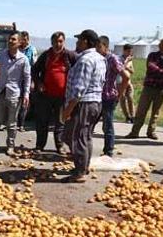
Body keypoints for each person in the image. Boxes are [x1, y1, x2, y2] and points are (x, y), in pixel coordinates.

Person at [60, 29, 106, 183]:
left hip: (84, 103)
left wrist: (67, 110)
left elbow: (79, 89)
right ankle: (83, 167)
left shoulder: (86, 60)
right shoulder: (100, 58)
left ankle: (79, 172)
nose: (77, 43)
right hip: (96, 102)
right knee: (86, 136)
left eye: (79, 40)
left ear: (86, 41)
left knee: (78, 137)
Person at [0, 32, 31, 156]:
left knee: (12, 123)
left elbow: (27, 78)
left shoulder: (23, 59)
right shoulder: (1, 55)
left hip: (14, 94)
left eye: (13, 39)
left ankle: (10, 146)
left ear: (20, 42)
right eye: (9, 39)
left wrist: (26, 94)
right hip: (0, 92)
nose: (10, 41)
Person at [31, 31, 77, 153]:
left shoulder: (70, 56)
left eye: (60, 41)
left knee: (60, 122)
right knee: (42, 121)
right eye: (55, 41)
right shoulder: (46, 55)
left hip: (62, 96)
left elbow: (77, 72)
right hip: (45, 96)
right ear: (51, 42)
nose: (58, 44)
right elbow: (34, 70)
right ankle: (40, 146)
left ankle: (60, 145)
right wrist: (39, 83)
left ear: (64, 42)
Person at [125, 38, 163, 140]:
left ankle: (151, 132)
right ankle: (135, 132)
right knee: (141, 110)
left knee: (155, 112)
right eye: (162, 44)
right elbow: (151, 67)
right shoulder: (152, 55)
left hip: (161, 89)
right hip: (149, 87)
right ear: (159, 45)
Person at [98, 36, 127, 156]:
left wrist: (119, 95)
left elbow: (126, 76)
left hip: (109, 97)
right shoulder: (98, 59)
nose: (97, 49)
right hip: (97, 96)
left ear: (106, 46)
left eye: (99, 47)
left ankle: (108, 151)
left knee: (107, 124)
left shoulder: (113, 59)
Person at [17, 31, 38, 132]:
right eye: (22, 39)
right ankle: (11, 123)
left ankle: (21, 124)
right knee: (14, 101)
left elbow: (34, 66)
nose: (23, 41)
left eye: (25, 39)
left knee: (25, 102)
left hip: (27, 78)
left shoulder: (31, 50)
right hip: (15, 79)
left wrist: (33, 81)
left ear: (28, 39)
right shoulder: (16, 49)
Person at [118, 44, 135, 123]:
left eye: (131, 52)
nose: (129, 53)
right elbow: (120, 68)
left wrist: (128, 67)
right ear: (124, 51)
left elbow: (132, 71)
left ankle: (133, 116)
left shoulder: (130, 60)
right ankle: (127, 116)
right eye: (128, 51)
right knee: (123, 99)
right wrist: (127, 61)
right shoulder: (119, 59)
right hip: (121, 82)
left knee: (130, 98)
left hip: (129, 82)